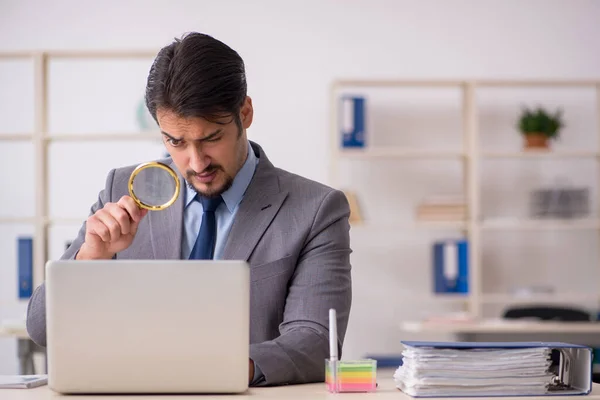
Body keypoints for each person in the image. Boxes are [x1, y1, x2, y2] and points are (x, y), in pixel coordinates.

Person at [25, 32, 352, 386]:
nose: (196, 163)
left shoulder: (316, 209)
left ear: (245, 112)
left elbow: (316, 340)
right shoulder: (122, 189)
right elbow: (41, 329)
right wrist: (90, 260)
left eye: (211, 138)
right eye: (175, 142)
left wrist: (214, 369)